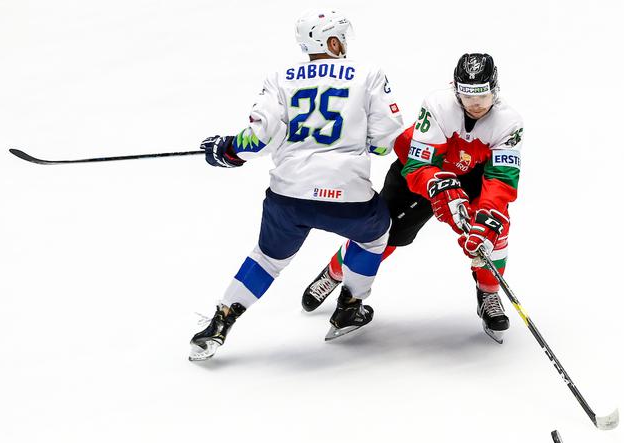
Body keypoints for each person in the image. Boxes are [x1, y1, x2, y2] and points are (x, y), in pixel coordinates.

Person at [189, 10, 404, 361]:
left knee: (267, 260)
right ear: (332, 42)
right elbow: (384, 140)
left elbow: (259, 138)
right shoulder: (368, 74)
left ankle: (220, 320)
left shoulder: (280, 77)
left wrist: (229, 149)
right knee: (376, 235)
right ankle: (349, 306)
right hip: (348, 197)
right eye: (342, 38)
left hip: (289, 196)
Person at [301, 53, 524, 343]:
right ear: (455, 90)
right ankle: (335, 272)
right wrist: (438, 187)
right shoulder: (437, 106)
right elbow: (419, 165)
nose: (476, 104)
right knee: (381, 232)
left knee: (494, 228)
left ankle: (489, 293)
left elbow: (501, 179)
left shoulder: (509, 122)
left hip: (471, 174)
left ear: (495, 89)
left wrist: (486, 220)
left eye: (482, 95)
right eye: (467, 96)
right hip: (424, 169)